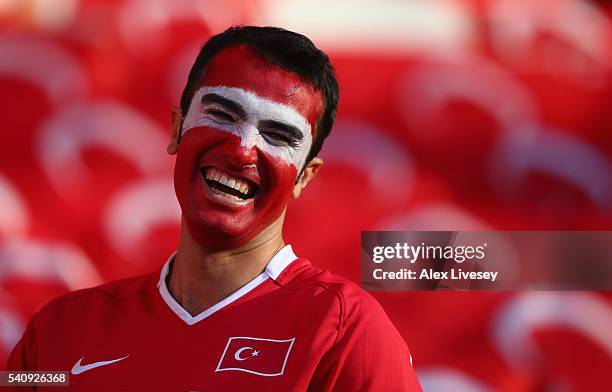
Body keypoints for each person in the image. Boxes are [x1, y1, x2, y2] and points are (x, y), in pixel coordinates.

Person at [7, 26, 422, 391]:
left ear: (304, 177)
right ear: (176, 129)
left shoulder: (345, 331)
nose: (242, 150)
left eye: (278, 135)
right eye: (222, 113)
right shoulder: (59, 330)